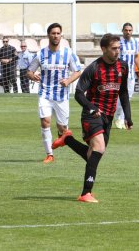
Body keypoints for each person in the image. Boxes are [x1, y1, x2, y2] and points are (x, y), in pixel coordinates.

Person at [51, 33, 133, 203]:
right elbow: (79, 94)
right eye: (114, 48)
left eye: (119, 48)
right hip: (91, 115)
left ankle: (67, 139)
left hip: (108, 118)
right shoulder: (94, 68)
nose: (117, 51)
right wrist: (91, 107)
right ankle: (85, 193)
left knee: (93, 155)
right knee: (99, 148)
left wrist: (127, 116)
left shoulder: (123, 67)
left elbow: (123, 92)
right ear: (104, 49)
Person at [27, 23, 81, 163]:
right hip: (45, 93)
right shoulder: (41, 54)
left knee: (63, 128)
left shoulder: (68, 53)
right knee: (45, 122)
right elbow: (29, 71)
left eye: (58, 33)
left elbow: (78, 71)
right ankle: (49, 154)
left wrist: (68, 81)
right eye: (53, 33)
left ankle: (61, 134)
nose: (56, 36)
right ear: (48, 35)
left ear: (61, 35)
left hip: (62, 96)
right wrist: (33, 76)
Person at [113, 23, 139, 129]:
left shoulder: (135, 42)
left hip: (131, 75)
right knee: (121, 97)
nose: (128, 32)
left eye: (130, 30)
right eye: (126, 30)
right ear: (122, 31)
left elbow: (136, 57)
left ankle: (122, 118)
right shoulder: (119, 43)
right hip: (120, 75)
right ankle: (119, 118)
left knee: (128, 97)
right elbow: (114, 57)